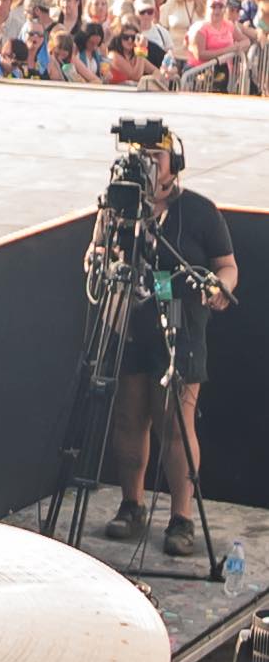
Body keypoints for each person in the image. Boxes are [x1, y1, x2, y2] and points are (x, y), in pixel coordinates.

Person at [104, 123, 238, 558]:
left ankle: (181, 518)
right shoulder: (118, 205)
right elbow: (98, 250)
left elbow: (228, 266)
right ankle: (132, 504)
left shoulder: (199, 211)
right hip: (129, 323)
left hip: (181, 323)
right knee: (129, 418)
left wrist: (218, 288)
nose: (144, 163)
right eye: (137, 154)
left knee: (175, 425)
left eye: (154, 156)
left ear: (173, 163)